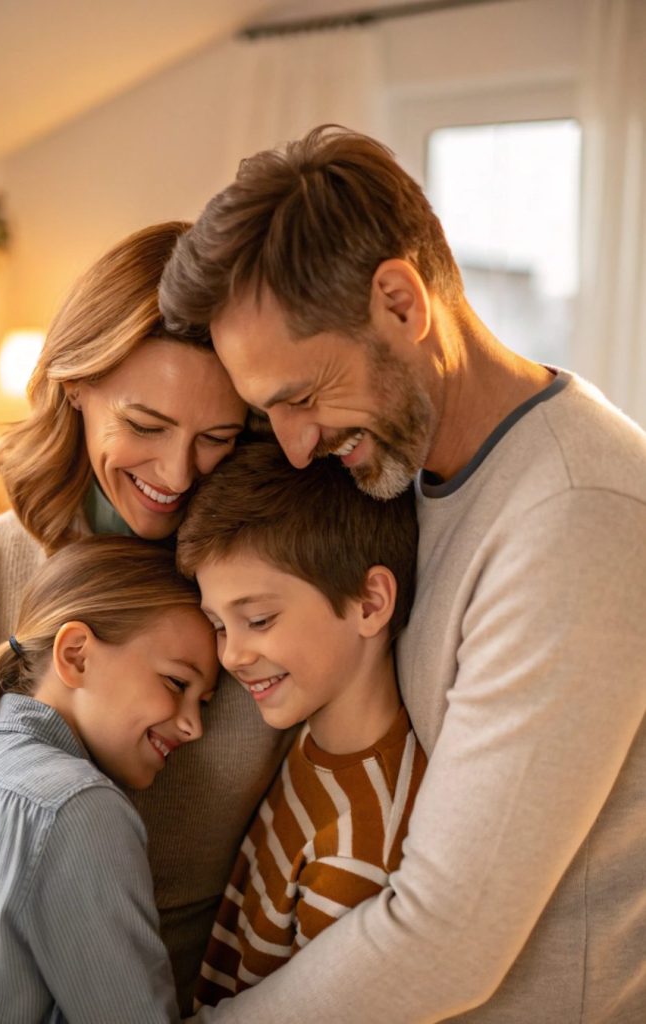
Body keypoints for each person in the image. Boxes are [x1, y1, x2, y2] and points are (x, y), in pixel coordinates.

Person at [159, 126, 646, 1022]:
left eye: (303, 397)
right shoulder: (402, 468)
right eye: (273, 411)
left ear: (399, 300)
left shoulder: (576, 511)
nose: (297, 444)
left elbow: (446, 936)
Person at [0, 223, 290, 1024]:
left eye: (215, 438)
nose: (176, 474)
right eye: (145, 425)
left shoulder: (270, 587)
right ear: (74, 385)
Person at [0, 535, 218, 1024]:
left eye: (205, 702)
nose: (194, 726)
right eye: (176, 683)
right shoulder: (79, 809)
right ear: (76, 655)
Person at [173, 442, 427, 1008]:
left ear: (368, 602)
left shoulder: (359, 855)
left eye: (258, 619)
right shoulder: (312, 733)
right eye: (219, 625)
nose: (232, 655)